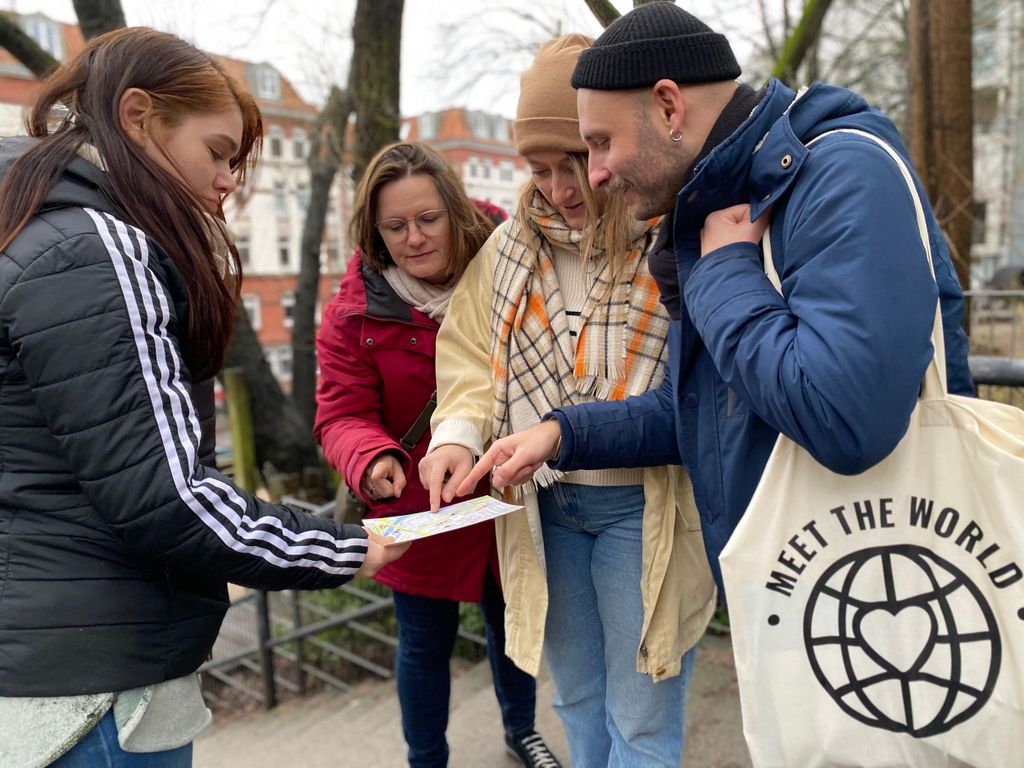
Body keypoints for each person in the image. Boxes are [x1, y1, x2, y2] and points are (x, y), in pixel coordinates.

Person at [459, 2, 975, 592]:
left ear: (669, 105)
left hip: (891, 579)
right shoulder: (717, 206)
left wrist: (724, 269)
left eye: (601, 142)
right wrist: (564, 433)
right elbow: (714, 409)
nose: (594, 174)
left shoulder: (840, 174)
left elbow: (845, 419)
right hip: (805, 577)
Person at [0, 28, 407, 768]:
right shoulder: (98, 249)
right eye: (217, 152)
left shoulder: (33, 231)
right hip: (101, 689)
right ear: (138, 118)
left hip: (50, 666)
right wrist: (342, 547)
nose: (229, 181)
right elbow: (169, 496)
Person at [419, 34, 716, 768]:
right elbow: (467, 358)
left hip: (643, 507)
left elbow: (699, 390)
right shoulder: (509, 246)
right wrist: (454, 437)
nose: (559, 188)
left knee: (642, 714)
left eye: (576, 160)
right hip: (545, 508)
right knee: (576, 698)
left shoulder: (673, 230)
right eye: (539, 168)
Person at [313, 142, 558, 768]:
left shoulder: (511, 260)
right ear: (375, 231)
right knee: (423, 643)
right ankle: (426, 757)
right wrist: (371, 458)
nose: (414, 238)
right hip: (424, 503)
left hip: (508, 484)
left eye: (428, 219)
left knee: (512, 627)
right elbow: (341, 412)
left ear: (453, 209)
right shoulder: (353, 311)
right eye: (395, 227)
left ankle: (521, 731)